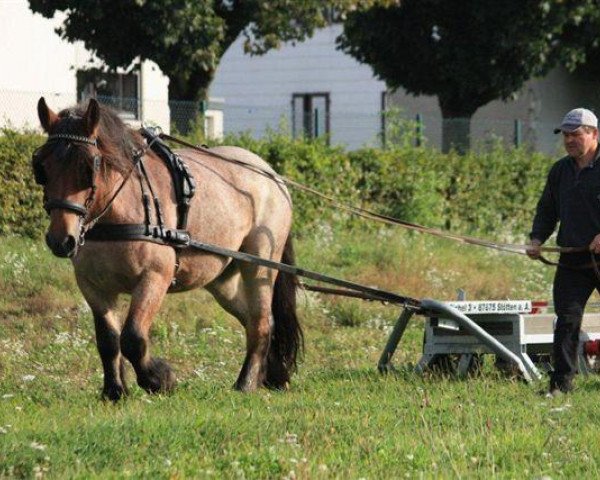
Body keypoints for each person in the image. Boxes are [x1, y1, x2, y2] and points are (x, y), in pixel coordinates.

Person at [527, 107, 600, 397]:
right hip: (572, 258)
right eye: (566, 135)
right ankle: (560, 387)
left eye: (576, 134)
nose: (570, 140)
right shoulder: (560, 170)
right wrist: (536, 239)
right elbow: (547, 208)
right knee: (566, 321)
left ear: (594, 134)